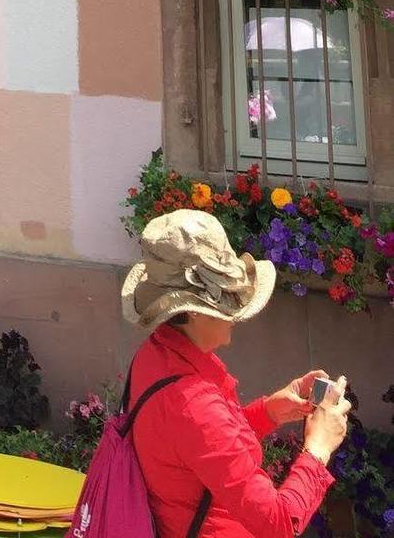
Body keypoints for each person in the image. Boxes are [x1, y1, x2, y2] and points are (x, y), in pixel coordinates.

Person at [121, 208, 350, 538]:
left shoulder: (160, 353)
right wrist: (318, 447)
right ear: (195, 313)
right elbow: (280, 524)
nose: (237, 315)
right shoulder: (194, 406)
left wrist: (270, 410)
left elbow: (204, 450)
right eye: (230, 303)